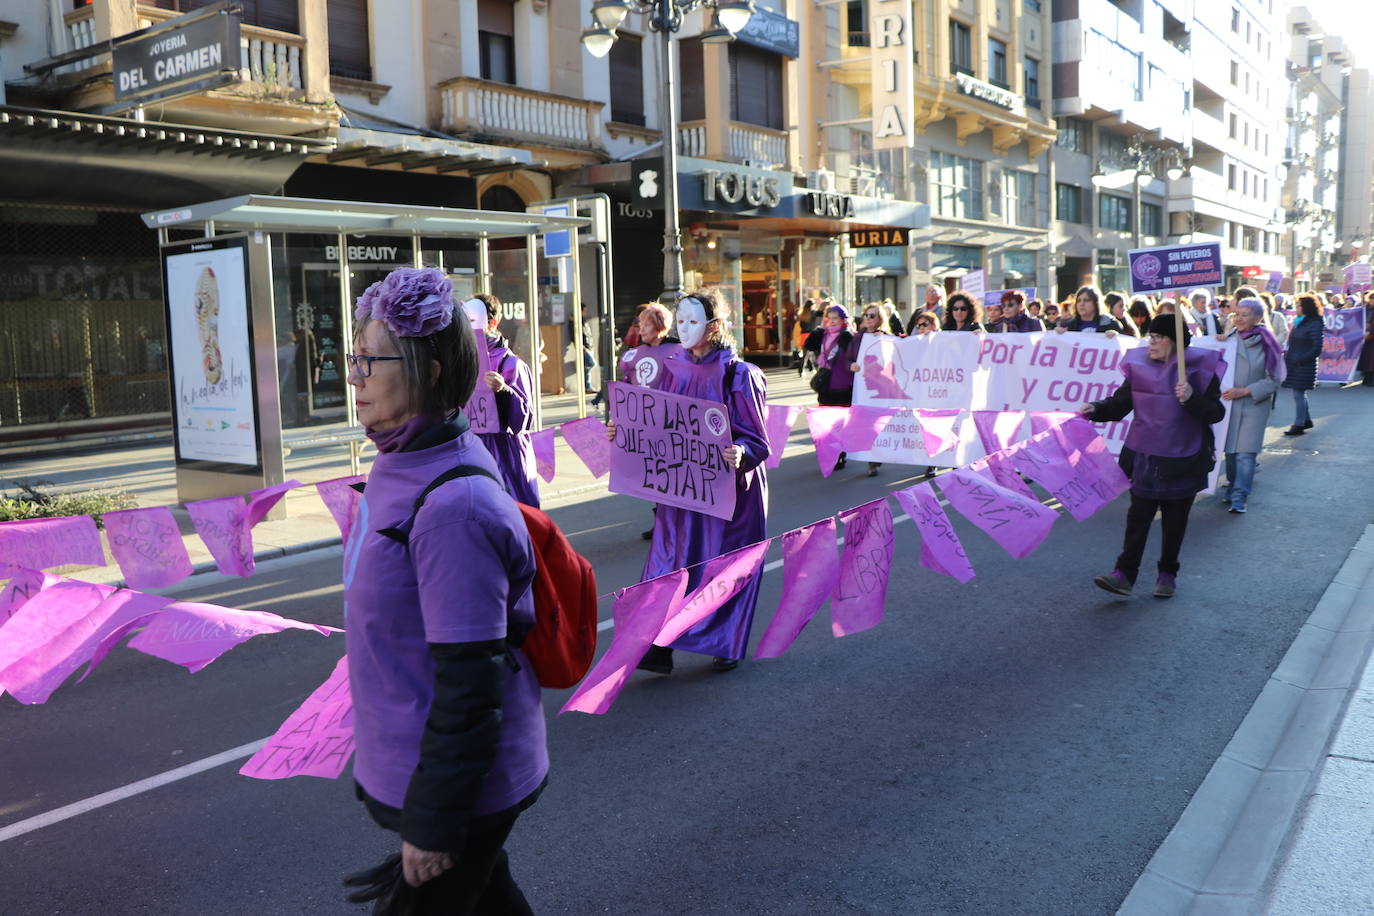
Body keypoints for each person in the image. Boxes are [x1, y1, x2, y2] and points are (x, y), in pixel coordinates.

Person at [343, 267, 545, 913]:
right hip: (420, 770)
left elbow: (471, 681)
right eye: (353, 357)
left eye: (369, 360)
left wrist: (435, 823)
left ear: (429, 371)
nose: (354, 377)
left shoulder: (454, 502)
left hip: (460, 791)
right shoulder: (400, 460)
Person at [627, 289, 769, 674]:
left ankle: (725, 639)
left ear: (715, 327)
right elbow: (652, 420)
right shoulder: (670, 368)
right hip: (681, 489)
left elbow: (757, 439)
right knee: (670, 563)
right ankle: (659, 642)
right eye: (682, 320)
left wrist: (741, 451)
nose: (685, 328)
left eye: (694, 322)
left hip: (730, 493)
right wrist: (622, 432)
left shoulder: (740, 375)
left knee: (721, 565)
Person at [1082, 315, 1225, 599]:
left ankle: (1167, 574)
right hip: (1145, 457)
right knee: (1138, 519)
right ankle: (1124, 574)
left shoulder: (1198, 371)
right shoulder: (1139, 367)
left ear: (1174, 341)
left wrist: (1192, 398)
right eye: (1150, 337)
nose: (1152, 343)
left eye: (1158, 337)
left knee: (1175, 522)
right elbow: (1120, 404)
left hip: (1183, 458)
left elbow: (1216, 413)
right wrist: (1095, 409)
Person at [465, 294, 542, 508]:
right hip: (472, 451)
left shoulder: (512, 364)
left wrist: (503, 390)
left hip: (504, 456)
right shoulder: (460, 361)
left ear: (492, 323)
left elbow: (524, 418)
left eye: (471, 321)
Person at [1219, 298, 1283, 514]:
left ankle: (1239, 496)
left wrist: (1245, 391)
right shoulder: (1228, 339)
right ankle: (1231, 488)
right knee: (1231, 452)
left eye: (1245, 314)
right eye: (1237, 313)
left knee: (1246, 453)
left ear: (1257, 318)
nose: (1238, 318)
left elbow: (1275, 379)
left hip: (1254, 404)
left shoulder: (1268, 342)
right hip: (1229, 404)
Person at [850, 301, 896, 477]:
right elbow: (848, 359)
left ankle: (879, 454)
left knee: (880, 423)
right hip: (863, 388)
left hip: (883, 388)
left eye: (872, 316)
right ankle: (872, 462)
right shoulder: (857, 338)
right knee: (867, 424)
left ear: (880, 319)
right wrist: (851, 365)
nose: (868, 319)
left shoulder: (887, 337)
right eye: (866, 315)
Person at [1282, 294, 1324, 436]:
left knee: (1298, 393)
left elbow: (1317, 347)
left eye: (1299, 305)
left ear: (1307, 307)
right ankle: (1305, 420)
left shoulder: (1315, 322)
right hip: (1294, 362)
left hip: (1304, 364)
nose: (1296, 308)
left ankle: (1298, 424)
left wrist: (1301, 360)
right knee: (1299, 393)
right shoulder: (1299, 321)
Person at [618, 301, 680, 389]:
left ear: (660, 326)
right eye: (641, 325)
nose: (641, 331)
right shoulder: (635, 353)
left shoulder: (679, 351)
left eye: (646, 325)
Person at [1055, 285, 1123, 334]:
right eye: (1079, 301)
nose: (1081, 304)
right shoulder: (1070, 326)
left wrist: (1115, 337)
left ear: (1096, 303)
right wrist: (1058, 335)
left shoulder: (1110, 324)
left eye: (1086, 300)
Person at [1360, 291, 1374, 386]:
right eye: (1371, 298)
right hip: (1365, 337)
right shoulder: (1365, 309)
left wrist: (1370, 331)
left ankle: (1370, 378)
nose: (1372, 300)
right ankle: (1366, 378)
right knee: (1366, 359)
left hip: (1371, 336)